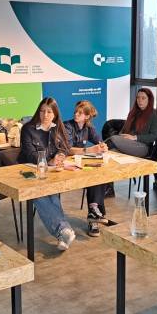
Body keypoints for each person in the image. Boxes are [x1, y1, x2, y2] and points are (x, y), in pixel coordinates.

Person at [18, 98, 76, 251]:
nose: (45, 115)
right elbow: (29, 154)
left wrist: (60, 156)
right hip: (28, 170)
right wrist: (48, 161)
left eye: (49, 112)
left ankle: (63, 234)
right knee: (38, 192)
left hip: (50, 171)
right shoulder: (28, 129)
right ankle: (63, 229)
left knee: (51, 192)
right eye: (42, 111)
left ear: (55, 114)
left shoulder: (58, 128)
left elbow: (65, 147)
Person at [63, 100, 110, 237]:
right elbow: (68, 150)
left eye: (80, 113)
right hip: (66, 165)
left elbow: (99, 141)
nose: (76, 114)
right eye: (75, 112)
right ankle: (95, 214)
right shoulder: (67, 126)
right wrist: (89, 150)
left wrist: (103, 147)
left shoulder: (88, 128)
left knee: (99, 172)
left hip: (80, 164)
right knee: (93, 176)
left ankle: (93, 213)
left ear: (87, 116)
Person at [109, 88, 157, 157]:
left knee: (113, 139)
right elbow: (124, 129)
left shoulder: (154, 113)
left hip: (143, 147)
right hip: (129, 143)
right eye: (138, 98)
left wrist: (135, 137)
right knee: (111, 151)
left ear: (149, 100)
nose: (140, 100)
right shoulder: (133, 112)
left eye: (143, 98)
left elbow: (154, 136)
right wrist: (121, 136)